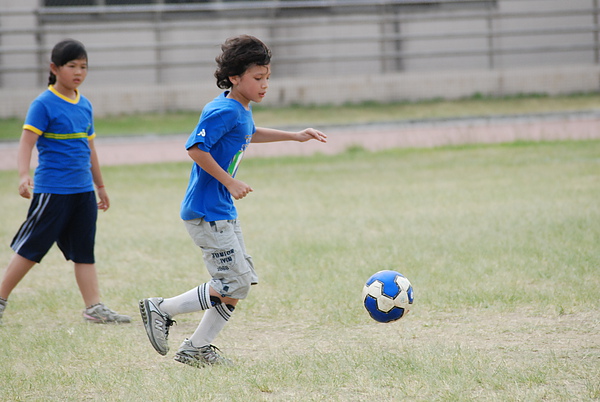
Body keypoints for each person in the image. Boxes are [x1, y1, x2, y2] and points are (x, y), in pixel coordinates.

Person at [139, 35, 326, 368]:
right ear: (235, 77)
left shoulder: (239, 108)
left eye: (267, 77)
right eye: (258, 78)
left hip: (222, 210)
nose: (265, 84)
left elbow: (249, 131)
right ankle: (161, 309)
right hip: (206, 212)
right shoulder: (222, 110)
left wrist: (296, 135)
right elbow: (195, 149)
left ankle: (196, 348)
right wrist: (230, 180)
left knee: (239, 284)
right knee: (233, 282)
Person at [0, 39, 130, 325]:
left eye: (83, 67)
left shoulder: (84, 105)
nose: (78, 72)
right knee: (32, 249)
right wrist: (24, 175)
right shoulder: (43, 104)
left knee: (84, 250)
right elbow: (25, 143)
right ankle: (0, 298)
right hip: (53, 191)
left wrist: (101, 186)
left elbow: (90, 149)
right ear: (54, 68)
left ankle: (94, 307)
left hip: (83, 191)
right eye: (72, 66)